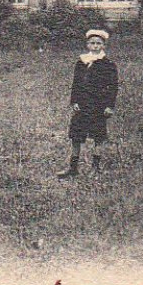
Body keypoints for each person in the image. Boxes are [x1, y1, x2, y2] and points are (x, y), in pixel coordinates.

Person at [58, 28, 118, 177]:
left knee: (98, 136)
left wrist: (109, 106)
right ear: (87, 45)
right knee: (76, 135)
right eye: (92, 43)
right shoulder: (81, 62)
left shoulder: (108, 64)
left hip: (99, 105)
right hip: (83, 104)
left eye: (99, 43)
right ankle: (73, 168)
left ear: (103, 45)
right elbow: (76, 83)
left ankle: (95, 167)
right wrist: (74, 101)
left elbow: (113, 87)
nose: (95, 46)